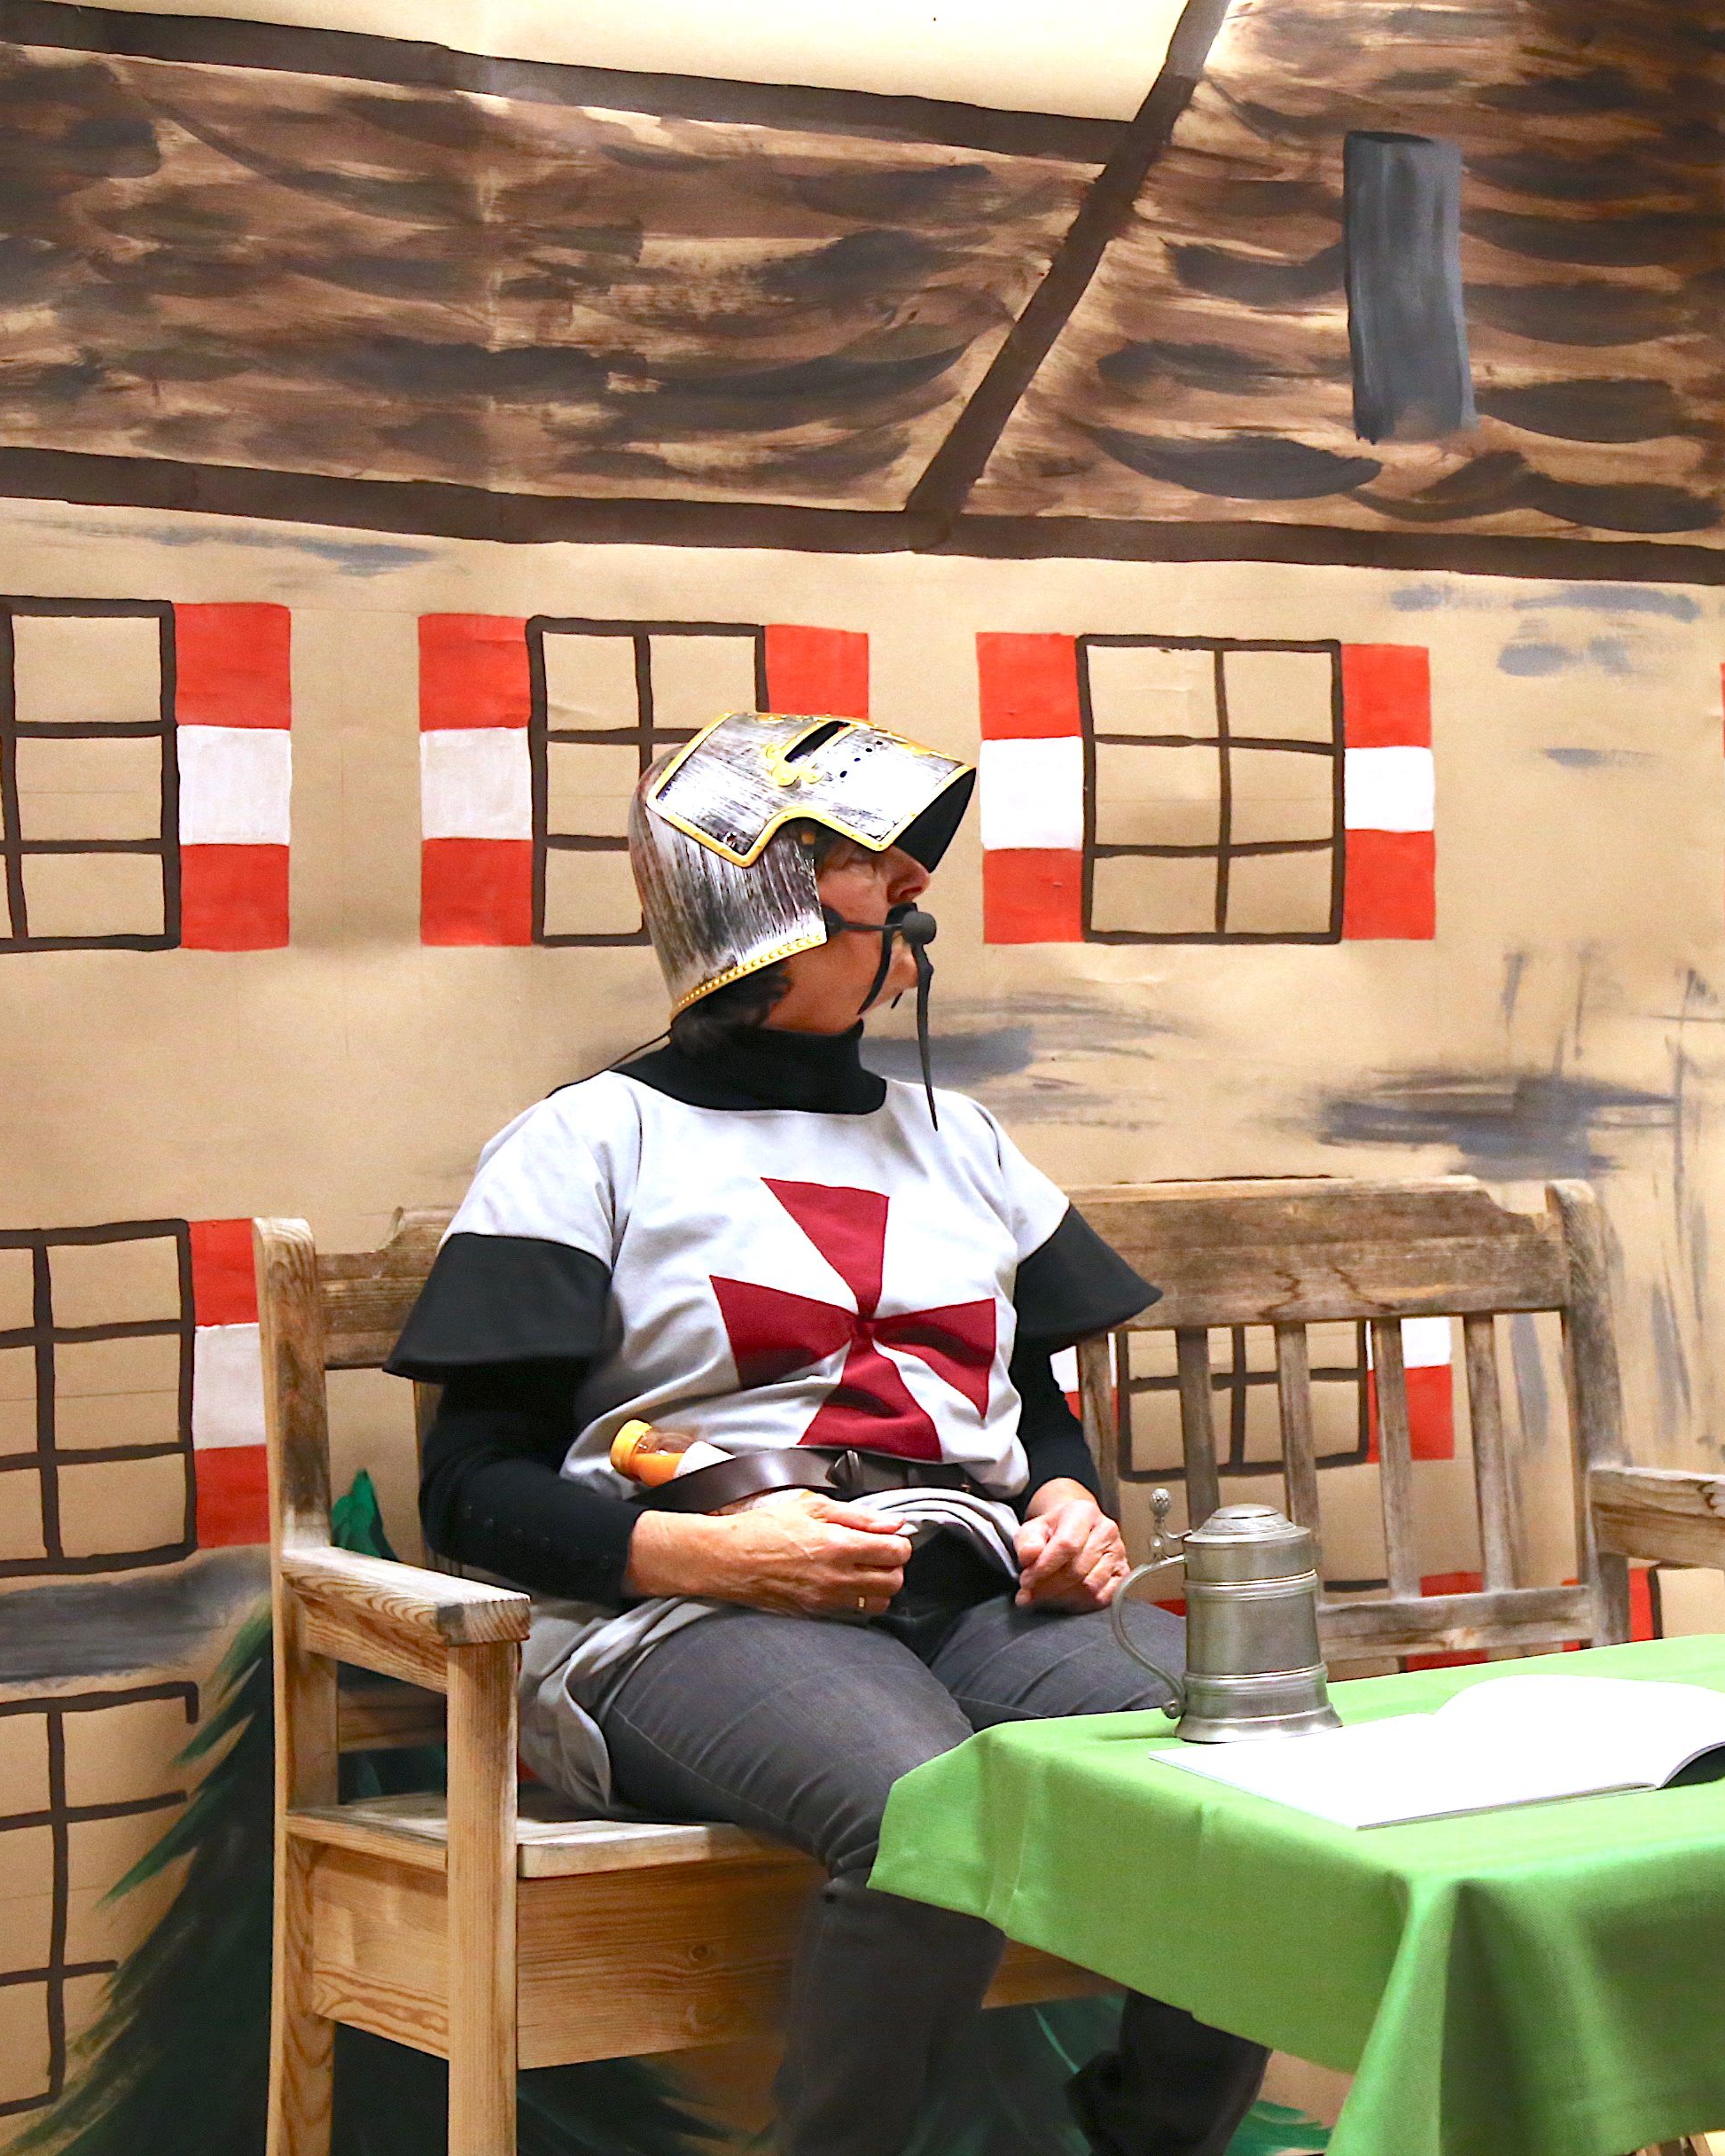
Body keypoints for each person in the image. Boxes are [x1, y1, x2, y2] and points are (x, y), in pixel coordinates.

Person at [385, 712, 1268, 2156]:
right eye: (875, 870)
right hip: (691, 1620)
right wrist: (718, 1558)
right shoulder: (588, 1142)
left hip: (973, 1589)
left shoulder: (962, 1141)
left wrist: (1066, 1504)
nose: (915, 895)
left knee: (1247, 1751)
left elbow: (1034, 1406)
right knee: (931, 1808)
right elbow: (472, 1491)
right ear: (767, 899)